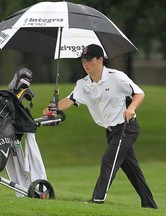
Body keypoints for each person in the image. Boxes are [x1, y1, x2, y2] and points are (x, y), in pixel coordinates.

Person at [43, 44, 158, 209]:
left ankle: (97, 200)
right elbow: (70, 100)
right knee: (132, 170)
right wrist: (52, 108)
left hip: (126, 128)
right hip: (110, 132)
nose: (86, 64)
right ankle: (150, 206)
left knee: (108, 161)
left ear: (100, 59)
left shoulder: (116, 77)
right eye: (83, 60)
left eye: (89, 60)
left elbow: (139, 93)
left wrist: (131, 108)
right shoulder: (82, 84)